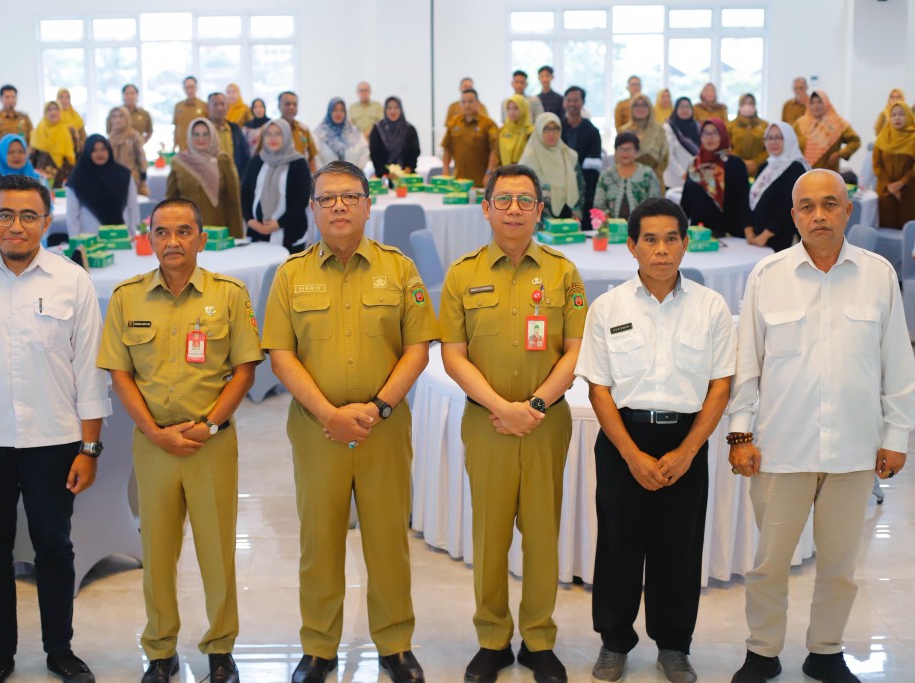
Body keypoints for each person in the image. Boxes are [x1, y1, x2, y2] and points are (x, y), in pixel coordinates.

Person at [727, 169, 915, 683]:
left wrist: (897, 438)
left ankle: (825, 650)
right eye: (806, 207)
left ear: (848, 211)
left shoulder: (878, 275)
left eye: (829, 204)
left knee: (839, 566)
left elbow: (898, 363)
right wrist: (740, 434)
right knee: (769, 565)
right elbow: (748, 363)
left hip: (855, 449)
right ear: (794, 216)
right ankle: (762, 651)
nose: (818, 215)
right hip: (780, 447)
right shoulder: (768, 275)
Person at [0, 173, 110, 683]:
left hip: (54, 442)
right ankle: (0, 654)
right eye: (5, 215)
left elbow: (90, 374)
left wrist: (89, 449)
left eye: (29, 216)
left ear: (46, 222)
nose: (16, 226)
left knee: (55, 546)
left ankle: (60, 650)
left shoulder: (72, 280)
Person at [262, 159, 438, 683]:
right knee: (320, 542)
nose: (338, 205)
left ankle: (395, 644)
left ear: (367, 204)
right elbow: (280, 354)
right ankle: (318, 646)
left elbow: (417, 348)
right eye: (327, 198)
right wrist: (329, 414)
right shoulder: (291, 274)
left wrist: (379, 406)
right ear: (313, 209)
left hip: (383, 429)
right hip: (317, 432)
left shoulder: (399, 269)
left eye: (349, 197)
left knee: (387, 540)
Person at [97, 197, 261, 683]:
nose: (173, 242)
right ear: (148, 238)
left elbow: (245, 370)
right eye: (162, 232)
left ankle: (220, 648)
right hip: (153, 446)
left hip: (212, 444)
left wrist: (208, 425)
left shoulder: (229, 294)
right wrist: (153, 432)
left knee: (217, 552)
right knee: (158, 554)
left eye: (184, 232)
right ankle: (160, 649)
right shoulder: (127, 297)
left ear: (201, 239)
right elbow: (119, 374)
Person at [575, 197, 735, 683]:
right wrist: (631, 454)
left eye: (671, 239)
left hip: (686, 439)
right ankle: (614, 641)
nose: (661, 250)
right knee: (619, 546)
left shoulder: (711, 307)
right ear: (631, 246)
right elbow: (598, 388)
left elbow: (721, 385)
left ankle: (674, 645)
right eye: (650, 239)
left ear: (686, 244)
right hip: (624, 437)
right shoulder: (608, 307)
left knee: (678, 549)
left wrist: (687, 452)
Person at [439, 164, 585, 683]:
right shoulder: (463, 273)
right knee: (490, 533)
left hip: (547, 423)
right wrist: (502, 408)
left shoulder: (564, 272)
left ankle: (539, 639)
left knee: (543, 534)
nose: (515, 210)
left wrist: (536, 406)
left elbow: (575, 350)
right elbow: (453, 356)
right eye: (504, 200)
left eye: (526, 200)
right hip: (487, 423)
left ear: (541, 209)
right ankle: (493, 638)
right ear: (486, 208)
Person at [240, 119, 311, 254]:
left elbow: (302, 199)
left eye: (278, 134)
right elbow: (245, 192)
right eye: (269, 134)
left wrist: (279, 223)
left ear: (286, 136)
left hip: (289, 234)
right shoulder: (256, 161)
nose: (273, 138)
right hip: (257, 232)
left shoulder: (298, 163)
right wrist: (249, 220)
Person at [166, 118, 243, 237]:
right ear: (190, 136)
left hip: (218, 233)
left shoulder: (223, 160)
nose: (200, 139)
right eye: (196, 134)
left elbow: (233, 202)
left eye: (205, 134)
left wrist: (237, 237)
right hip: (186, 233)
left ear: (212, 135)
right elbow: (170, 202)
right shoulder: (179, 162)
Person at [680, 119, 753, 238]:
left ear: (723, 135)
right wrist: (679, 228)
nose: (709, 138)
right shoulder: (694, 164)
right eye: (705, 133)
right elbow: (686, 200)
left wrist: (748, 229)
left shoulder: (735, 164)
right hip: (699, 233)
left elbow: (744, 201)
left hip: (730, 233)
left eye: (714, 133)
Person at [748, 122, 809, 251]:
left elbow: (791, 206)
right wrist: (749, 230)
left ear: (789, 139)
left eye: (779, 137)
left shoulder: (796, 168)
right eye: (769, 137)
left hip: (780, 241)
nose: (773, 142)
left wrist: (766, 235)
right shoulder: (766, 165)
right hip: (756, 240)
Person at [66, 134, 140, 237]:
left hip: (122, 238)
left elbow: (133, 208)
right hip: (91, 240)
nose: (99, 154)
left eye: (103, 149)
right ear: (87, 152)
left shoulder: (123, 175)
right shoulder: (77, 179)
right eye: (94, 150)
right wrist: (77, 242)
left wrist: (134, 234)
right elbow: (72, 215)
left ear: (109, 150)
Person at [520, 113, 585, 219]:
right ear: (539, 130)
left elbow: (580, 186)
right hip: (537, 218)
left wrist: (577, 212)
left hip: (568, 216)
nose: (551, 134)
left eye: (556, 129)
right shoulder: (528, 160)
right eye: (546, 129)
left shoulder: (569, 155)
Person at [594, 131, 662, 220]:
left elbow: (655, 204)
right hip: (611, 229)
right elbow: (598, 205)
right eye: (621, 149)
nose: (625, 153)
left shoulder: (647, 174)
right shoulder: (606, 175)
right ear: (616, 151)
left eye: (629, 149)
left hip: (642, 228)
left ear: (637, 151)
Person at [441, 88, 499, 186]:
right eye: (463, 102)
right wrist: (446, 169)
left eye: (470, 102)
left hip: (481, 179)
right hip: (458, 179)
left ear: (478, 103)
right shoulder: (454, 122)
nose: (467, 105)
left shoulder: (488, 124)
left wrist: (489, 173)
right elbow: (447, 147)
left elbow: (494, 151)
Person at [793, 90, 860, 172]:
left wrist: (839, 154)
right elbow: (789, 144)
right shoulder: (800, 123)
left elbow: (855, 141)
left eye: (819, 102)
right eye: (812, 103)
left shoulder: (837, 123)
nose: (816, 105)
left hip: (829, 173)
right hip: (803, 172)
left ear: (826, 103)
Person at [873, 100, 915, 229]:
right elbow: (877, 164)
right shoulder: (882, 137)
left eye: (901, 114)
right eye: (893, 115)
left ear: (908, 116)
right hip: (885, 190)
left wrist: (901, 183)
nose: (897, 118)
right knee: (886, 227)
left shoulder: (913, 138)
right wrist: (890, 186)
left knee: (908, 228)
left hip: (909, 191)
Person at [561, 86, 603, 214]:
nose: (572, 104)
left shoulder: (592, 131)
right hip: (560, 187)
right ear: (564, 102)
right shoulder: (557, 129)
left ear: (582, 102)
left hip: (584, 190)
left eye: (576, 100)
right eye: (568, 100)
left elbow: (593, 167)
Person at [621, 94, 669, 190]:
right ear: (631, 109)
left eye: (644, 105)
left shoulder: (659, 130)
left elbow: (664, 157)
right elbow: (618, 159)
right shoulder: (624, 131)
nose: (640, 108)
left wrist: (650, 176)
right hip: (629, 182)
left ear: (650, 108)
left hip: (654, 180)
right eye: (636, 105)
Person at [370, 96, 421, 179]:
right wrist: (386, 173)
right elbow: (374, 155)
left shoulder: (410, 129)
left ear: (401, 109)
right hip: (383, 178)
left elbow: (414, 153)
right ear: (385, 110)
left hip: (406, 177)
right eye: (389, 108)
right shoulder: (377, 129)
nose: (392, 111)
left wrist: (407, 169)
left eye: (396, 107)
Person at [29, 101, 76, 188]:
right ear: (45, 113)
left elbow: (76, 153)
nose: (53, 112)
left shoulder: (69, 130)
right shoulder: (38, 132)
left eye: (56, 109)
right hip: (42, 178)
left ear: (60, 111)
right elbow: (32, 158)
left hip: (64, 175)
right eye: (49, 110)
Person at [314, 97, 370, 168]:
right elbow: (316, 158)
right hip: (327, 177)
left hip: (353, 176)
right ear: (329, 112)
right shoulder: (320, 133)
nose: (338, 113)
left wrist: (357, 172)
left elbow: (364, 152)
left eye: (341, 110)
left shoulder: (354, 132)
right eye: (335, 110)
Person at [107, 106, 149, 195]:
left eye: (121, 116)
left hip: (131, 177)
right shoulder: (110, 137)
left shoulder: (133, 135)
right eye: (114, 117)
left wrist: (143, 177)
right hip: (112, 178)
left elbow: (142, 157)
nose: (117, 119)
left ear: (127, 118)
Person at [208, 92, 251, 177]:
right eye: (215, 105)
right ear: (208, 107)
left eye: (222, 104)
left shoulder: (235, 129)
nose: (219, 108)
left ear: (227, 107)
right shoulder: (204, 130)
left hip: (234, 178)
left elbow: (245, 156)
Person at [275, 91, 318, 172]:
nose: (291, 107)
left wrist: (314, 179)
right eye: (287, 104)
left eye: (295, 104)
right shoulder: (272, 130)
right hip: (279, 175)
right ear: (279, 106)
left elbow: (311, 157)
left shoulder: (304, 129)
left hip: (302, 175)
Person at [664, 97, 701, 190]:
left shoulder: (697, 127)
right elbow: (669, 154)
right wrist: (682, 173)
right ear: (676, 109)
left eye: (688, 107)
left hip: (696, 177)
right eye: (681, 107)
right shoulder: (669, 127)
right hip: (675, 180)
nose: (685, 109)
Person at [728, 94, 769, 176]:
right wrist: (741, 162)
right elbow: (726, 147)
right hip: (736, 168)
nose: (747, 106)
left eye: (750, 103)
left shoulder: (765, 125)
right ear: (740, 106)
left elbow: (769, 148)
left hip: (760, 169)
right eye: (744, 103)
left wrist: (756, 162)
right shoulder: (730, 125)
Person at [0, 84, 34, 149]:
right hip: (2, 156)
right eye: (7, 97)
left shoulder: (24, 117)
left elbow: (32, 140)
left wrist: (26, 155)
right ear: (0, 99)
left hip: (24, 155)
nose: (11, 100)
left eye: (13, 97)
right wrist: (2, 156)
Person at [497, 94, 534, 166]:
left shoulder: (531, 132)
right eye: (509, 108)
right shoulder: (502, 131)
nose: (512, 112)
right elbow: (497, 154)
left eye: (516, 108)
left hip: (526, 172)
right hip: (505, 172)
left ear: (523, 109)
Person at [172, 76, 207, 152]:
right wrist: (174, 144)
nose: (190, 90)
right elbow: (176, 126)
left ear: (196, 88)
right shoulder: (178, 106)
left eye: (192, 87)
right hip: (183, 147)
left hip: (200, 148)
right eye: (187, 87)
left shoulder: (204, 106)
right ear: (184, 89)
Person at [55, 88, 86, 154]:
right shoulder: (53, 117)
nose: (64, 100)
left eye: (67, 97)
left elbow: (83, 136)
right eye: (61, 97)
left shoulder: (76, 116)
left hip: (76, 152)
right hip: (58, 151)